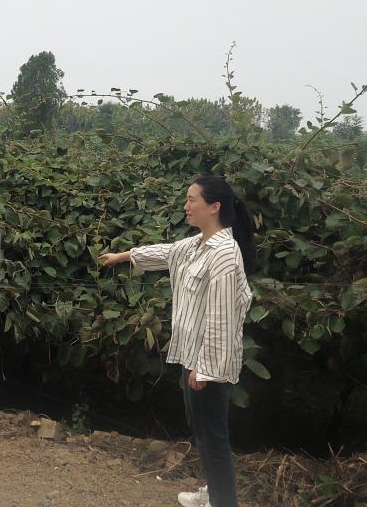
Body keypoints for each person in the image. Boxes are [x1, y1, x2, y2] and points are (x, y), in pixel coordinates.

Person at [100, 175, 256, 507]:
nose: (185, 206)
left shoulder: (224, 253)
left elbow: (222, 318)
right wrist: (123, 256)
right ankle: (214, 493)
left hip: (208, 364)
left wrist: (206, 369)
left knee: (213, 436)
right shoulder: (197, 244)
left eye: (191, 200)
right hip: (193, 357)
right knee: (202, 431)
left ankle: (222, 502)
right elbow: (166, 252)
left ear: (214, 207)